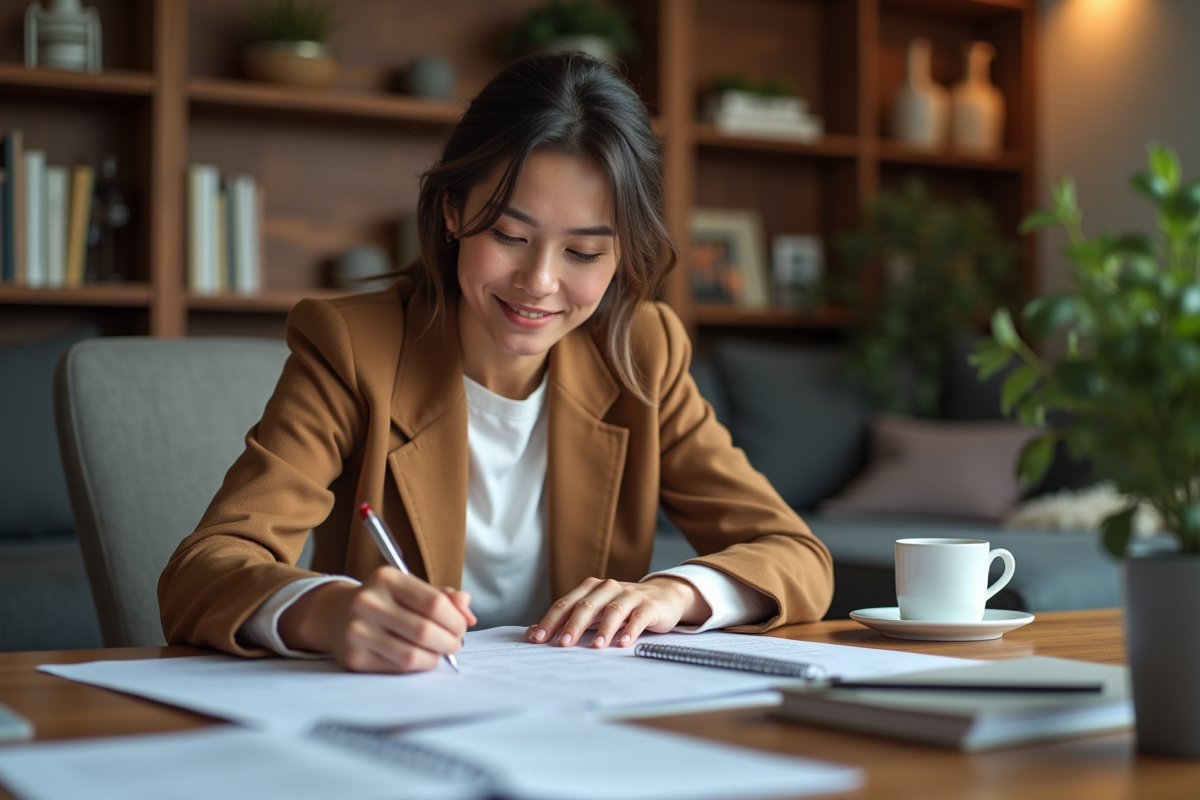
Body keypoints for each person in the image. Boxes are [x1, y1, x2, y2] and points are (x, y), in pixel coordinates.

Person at [158, 53, 832, 674]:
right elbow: (203, 572)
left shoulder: (641, 352)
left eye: (584, 253)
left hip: (582, 724)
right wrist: (329, 611)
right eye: (510, 236)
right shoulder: (353, 346)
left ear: (623, 254)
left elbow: (796, 556)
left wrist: (675, 593)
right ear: (452, 211)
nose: (538, 281)